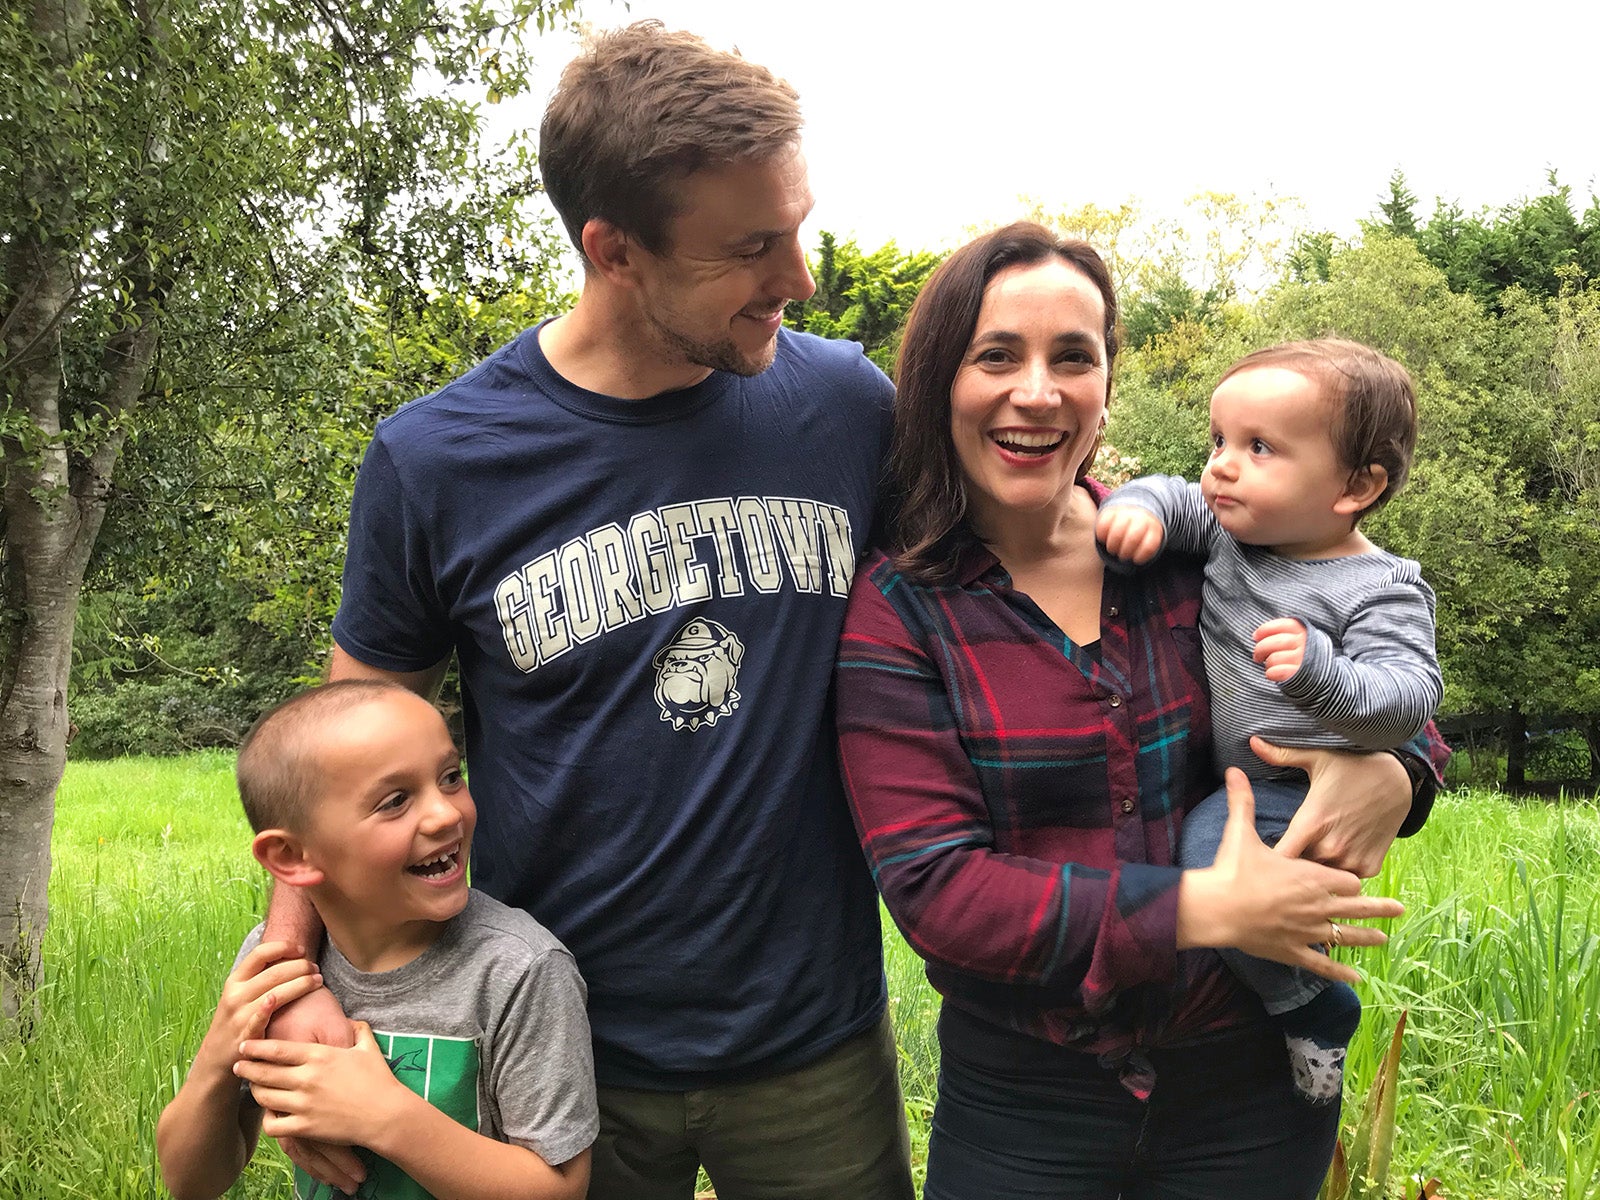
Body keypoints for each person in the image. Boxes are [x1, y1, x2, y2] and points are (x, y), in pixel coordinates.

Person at [261, 21, 912, 1200]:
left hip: (814, 1039)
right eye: (752, 247)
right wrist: (291, 983)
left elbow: (1024, 555)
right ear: (613, 249)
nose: (800, 279)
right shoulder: (437, 458)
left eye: (799, 225)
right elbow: (342, 745)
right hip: (553, 1043)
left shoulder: (846, 408)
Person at [834, 222, 1446, 1200]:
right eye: (997, 356)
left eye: (1072, 357)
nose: (1038, 391)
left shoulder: (1180, 550)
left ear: (1104, 383)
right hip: (1024, 1099)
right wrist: (1202, 908)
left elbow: (1382, 678)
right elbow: (940, 892)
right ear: (940, 379)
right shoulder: (898, 613)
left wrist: (1398, 769)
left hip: (1250, 1084)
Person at [1095, 339, 1442, 1103]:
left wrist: (1321, 671)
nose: (1221, 465)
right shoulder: (1227, 529)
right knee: (1224, 878)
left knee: (1211, 858)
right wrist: (1135, 510)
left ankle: (1312, 1006)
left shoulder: (1379, 586)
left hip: (1296, 787)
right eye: (1218, 440)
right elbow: (1168, 494)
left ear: (1356, 486)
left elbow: (1410, 697)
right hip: (1242, 780)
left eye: (1259, 448)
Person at [156, 680, 596, 1200]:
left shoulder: (519, 970)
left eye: (451, 777)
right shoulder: (274, 968)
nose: (446, 813)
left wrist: (385, 1118)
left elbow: (560, 1188)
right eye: (394, 802)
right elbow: (192, 1183)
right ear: (292, 857)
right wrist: (218, 1055)